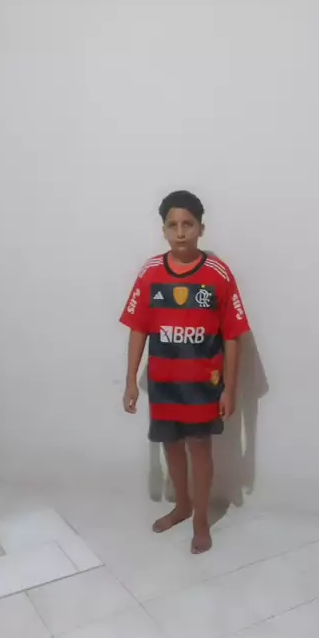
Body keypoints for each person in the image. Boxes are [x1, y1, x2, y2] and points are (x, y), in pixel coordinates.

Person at [120, 190, 250, 553]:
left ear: (201, 228)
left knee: (200, 449)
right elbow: (138, 328)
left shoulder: (218, 274)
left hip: (202, 386)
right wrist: (130, 380)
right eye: (172, 225)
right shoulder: (150, 273)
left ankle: (201, 520)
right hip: (163, 384)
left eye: (188, 224)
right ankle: (181, 506)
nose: (180, 232)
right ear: (163, 230)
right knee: (171, 448)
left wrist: (230, 389)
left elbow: (233, 336)